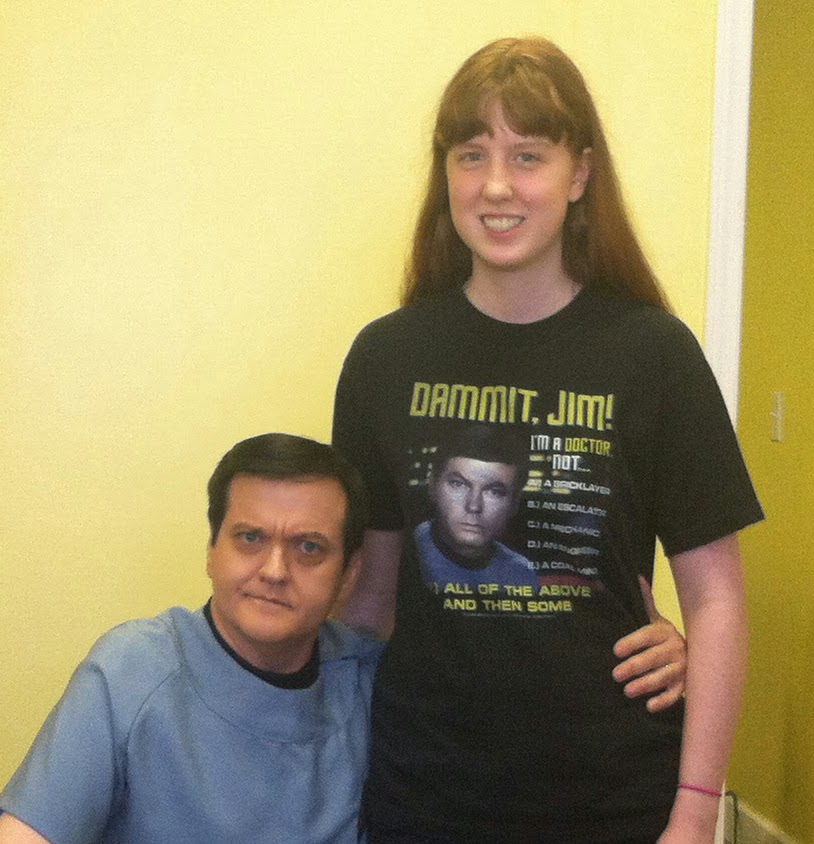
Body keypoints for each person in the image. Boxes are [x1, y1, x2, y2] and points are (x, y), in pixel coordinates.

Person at [333, 36, 763, 843]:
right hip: (424, 804)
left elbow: (717, 601)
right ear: (446, 174)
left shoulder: (654, 356)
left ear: (580, 174)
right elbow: (368, 602)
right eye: (472, 155)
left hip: (617, 804)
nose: (497, 185)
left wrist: (696, 813)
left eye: (528, 155)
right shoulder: (384, 359)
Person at [0, 433, 382, 844]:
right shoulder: (131, 672)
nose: (275, 571)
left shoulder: (370, 678)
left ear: (349, 574)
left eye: (308, 547)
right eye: (250, 538)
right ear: (211, 551)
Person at [415, 424, 540, 592]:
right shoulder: (407, 550)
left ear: (514, 503)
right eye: (458, 484)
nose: (473, 506)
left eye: (494, 492)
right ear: (432, 487)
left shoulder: (521, 573)